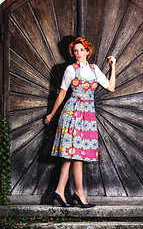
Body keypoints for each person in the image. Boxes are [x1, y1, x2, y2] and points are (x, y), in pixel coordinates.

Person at [45, 37, 116, 208]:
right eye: (75, 51)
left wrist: (113, 66)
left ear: (87, 51)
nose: (78, 53)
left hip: (88, 115)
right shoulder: (70, 69)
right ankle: (76, 193)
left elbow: (110, 87)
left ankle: (63, 192)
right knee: (73, 155)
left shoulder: (94, 69)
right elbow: (62, 94)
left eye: (81, 50)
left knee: (75, 156)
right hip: (72, 113)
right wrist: (53, 115)